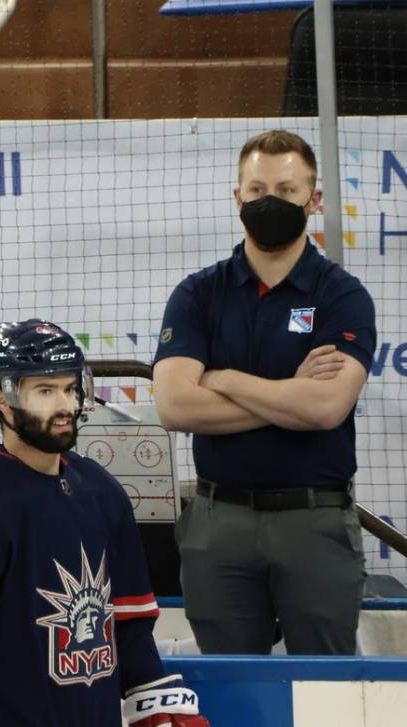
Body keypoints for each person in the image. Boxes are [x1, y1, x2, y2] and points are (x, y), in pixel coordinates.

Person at [0, 319, 209, 727]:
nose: (64, 405)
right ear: (1, 399)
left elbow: (129, 627)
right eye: (44, 391)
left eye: (68, 388)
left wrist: (157, 704)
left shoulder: (100, 490)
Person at [153, 129, 376, 655]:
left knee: (326, 692)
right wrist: (288, 393)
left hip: (315, 523)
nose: (269, 201)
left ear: (314, 200)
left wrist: (224, 379)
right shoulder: (197, 294)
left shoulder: (343, 297)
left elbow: (325, 407)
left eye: (287, 189)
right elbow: (174, 405)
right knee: (231, 690)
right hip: (218, 525)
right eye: (256, 190)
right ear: (238, 198)